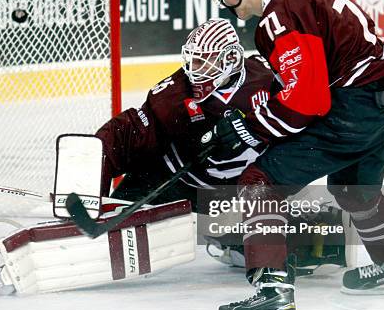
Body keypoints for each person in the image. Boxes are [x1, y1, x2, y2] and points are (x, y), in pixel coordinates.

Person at [205, 0, 384, 310]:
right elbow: (311, 78)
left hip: (360, 108)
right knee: (354, 190)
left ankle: (273, 299)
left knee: (259, 183)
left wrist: (249, 128)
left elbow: (308, 101)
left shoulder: (278, 18)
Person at [96, 17, 276, 205]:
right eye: (191, 61)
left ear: (230, 59)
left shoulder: (266, 77)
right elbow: (130, 134)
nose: (192, 70)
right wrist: (101, 149)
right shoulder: (173, 95)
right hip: (170, 182)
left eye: (202, 61)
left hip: (233, 191)